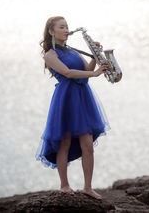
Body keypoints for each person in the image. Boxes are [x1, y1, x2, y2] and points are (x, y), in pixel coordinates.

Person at [35, 16, 110, 200]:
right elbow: (68, 73)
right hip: (66, 99)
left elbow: (85, 72)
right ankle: (64, 185)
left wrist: (95, 56)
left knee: (88, 145)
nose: (66, 29)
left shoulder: (73, 52)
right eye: (62, 27)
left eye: (67, 26)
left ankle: (88, 187)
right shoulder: (50, 55)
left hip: (82, 97)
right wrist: (94, 73)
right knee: (65, 143)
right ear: (52, 31)